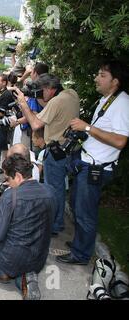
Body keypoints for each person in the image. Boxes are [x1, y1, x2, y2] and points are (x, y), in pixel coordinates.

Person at [56, 60, 129, 265]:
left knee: (85, 212)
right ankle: (82, 243)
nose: (96, 78)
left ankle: (81, 255)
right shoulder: (107, 100)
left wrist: (87, 128)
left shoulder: (122, 103)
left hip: (96, 168)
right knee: (78, 207)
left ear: (115, 81)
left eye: (102, 75)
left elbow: (120, 141)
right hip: (87, 163)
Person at [0, 153, 56, 300]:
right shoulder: (51, 192)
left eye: (8, 179)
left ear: (17, 176)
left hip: (11, 260)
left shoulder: (11, 196)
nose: (7, 184)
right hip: (38, 259)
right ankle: (26, 276)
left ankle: (2, 270)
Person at [11, 74, 80, 236]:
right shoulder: (71, 94)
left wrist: (23, 103)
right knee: (60, 189)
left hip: (56, 152)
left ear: (50, 89)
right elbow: (50, 106)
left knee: (53, 190)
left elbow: (35, 124)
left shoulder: (56, 101)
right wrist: (34, 96)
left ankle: (53, 225)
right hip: (69, 150)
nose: (40, 94)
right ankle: (58, 222)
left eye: (41, 91)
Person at [11, 62, 49, 150]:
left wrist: (16, 122)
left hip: (34, 133)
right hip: (42, 131)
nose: (30, 74)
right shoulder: (47, 88)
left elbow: (33, 115)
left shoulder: (36, 90)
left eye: (31, 72)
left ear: (35, 73)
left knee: (28, 157)